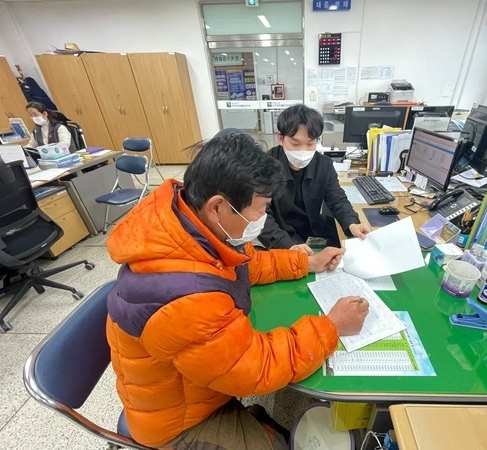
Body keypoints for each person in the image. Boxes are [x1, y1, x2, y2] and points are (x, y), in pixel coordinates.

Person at [105, 129, 370, 450]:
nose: (262, 219)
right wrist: (334, 325)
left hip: (194, 385)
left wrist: (308, 264)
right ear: (218, 206)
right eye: (260, 210)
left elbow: (247, 263)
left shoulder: (185, 224)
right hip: (178, 421)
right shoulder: (188, 295)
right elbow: (256, 369)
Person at [258, 104, 371, 254]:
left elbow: (337, 199)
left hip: (314, 230)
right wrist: (289, 245)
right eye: (295, 143)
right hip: (280, 235)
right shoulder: (263, 167)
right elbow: (260, 216)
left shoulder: (323, 164)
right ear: (280, 138)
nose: (303, 150)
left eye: (310, 143)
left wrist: (352, 224)